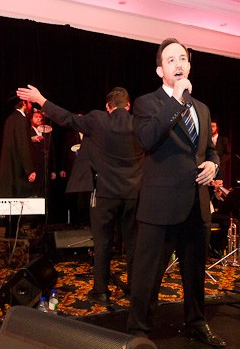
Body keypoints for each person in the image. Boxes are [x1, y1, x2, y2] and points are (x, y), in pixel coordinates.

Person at [125, 38, 225, 347]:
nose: (178, 64)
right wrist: (177, 101)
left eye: (182, 58)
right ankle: (139, 331)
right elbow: (147, 139)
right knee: (147, 275)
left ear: (189, 66)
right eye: (171, 60)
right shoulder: (147, 103)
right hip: (160, 206)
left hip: (197, 203)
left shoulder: (203, 109)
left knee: (195, 272)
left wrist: (213, 164)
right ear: (160, 71)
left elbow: (208, 150)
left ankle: (196, 322)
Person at [16, 85, 144, 305]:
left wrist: (41, 99)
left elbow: (67, 118)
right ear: (129, 105)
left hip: (104, 194)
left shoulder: (97, 119)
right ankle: (135, 290)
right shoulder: (139, 124)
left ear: (108, 106)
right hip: (134, 194)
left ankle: (101, 291)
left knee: (103, 243)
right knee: (133, 244)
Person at [0, 98, 36, 197]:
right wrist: (29, 169)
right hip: (18, 170)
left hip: (10, 168)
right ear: (24, 103)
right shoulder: (21, 120)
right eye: (30, 103)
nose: (31, 106)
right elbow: (23, 146)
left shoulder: (11, 118)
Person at [210, 120, 231, 187]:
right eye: (210, 126)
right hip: (208, 169)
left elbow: (228, 153)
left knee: (219, 188)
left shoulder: (223, 139)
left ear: (217, 128)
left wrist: (219, 161)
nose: (211, 128)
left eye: (213, 126)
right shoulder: (206, 140)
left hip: (220, 169)